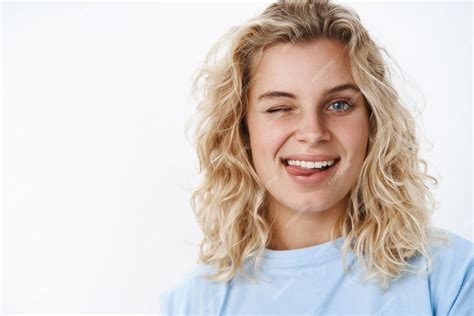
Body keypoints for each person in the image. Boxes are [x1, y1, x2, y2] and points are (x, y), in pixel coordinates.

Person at [160, 0, 473, 314]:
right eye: (280, 108)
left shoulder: (453, 277)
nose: (312, 132)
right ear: (242, 130)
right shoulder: (193, 303)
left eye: (338, 105)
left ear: (373, 123)